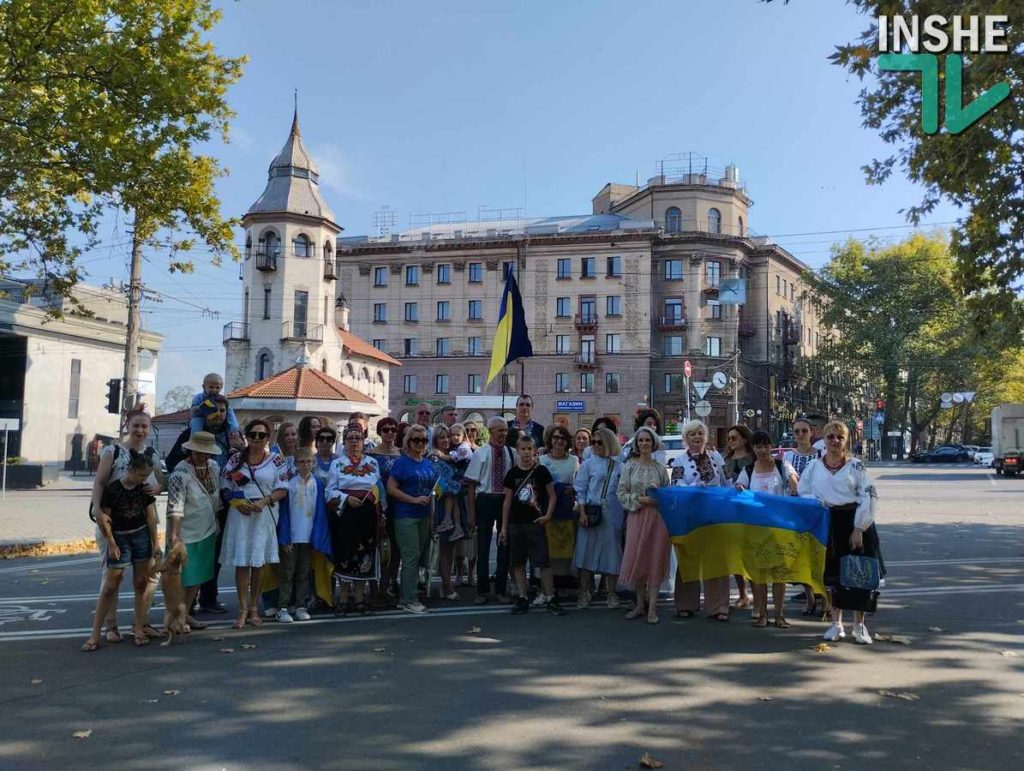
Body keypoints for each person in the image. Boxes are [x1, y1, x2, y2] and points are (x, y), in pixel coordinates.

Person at [798, 421, 881, 645]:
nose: (835, 441)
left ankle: (859, 625)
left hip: (854, 522)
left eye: (839, 437)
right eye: (830, 436)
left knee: (858, 574)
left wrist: (858, 529)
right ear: (824, 439)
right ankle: (836, 624)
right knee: (832, 575)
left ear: (846, 440)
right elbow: (804, 492)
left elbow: (869, 496)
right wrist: (818, 505)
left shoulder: (856, 466)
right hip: (827, 522)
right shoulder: (814, 467)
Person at [89, 407, 164, 642]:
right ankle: (111, 626)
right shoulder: (113, 451)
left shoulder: (152, 454)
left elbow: (161, 481)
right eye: (136, 425)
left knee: (146, 577)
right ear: (127, 426)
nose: (140, 430)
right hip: (113, 522)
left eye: (144, 426)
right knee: (112, 577)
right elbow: (99, 483)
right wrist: (98, 511)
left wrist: (159, 488)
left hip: (144, 522)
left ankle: (140, 623)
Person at [82, 453, 160, 651]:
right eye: (142, 475)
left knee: (141, 583)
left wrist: (155, 543)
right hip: (120, 537)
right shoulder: (113, 489)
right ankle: (95, 633)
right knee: (111, 584)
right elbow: (104, 520)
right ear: (131, 470)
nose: (144, 479)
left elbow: (150, 518)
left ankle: (139, 627)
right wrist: (111, 543)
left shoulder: (144, 490)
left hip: (141, 537)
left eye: (147, 475)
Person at [220, 417, 288, 629]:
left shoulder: (277, 460)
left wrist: (265, 501)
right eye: (253, 435)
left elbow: (283, 488)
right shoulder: (235, 460)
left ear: (268, 438)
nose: (257, 439)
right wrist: (237, 503)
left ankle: (254, 609)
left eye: (262, 435)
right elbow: (224, 485)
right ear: (246, 436)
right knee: (243, 564)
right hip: (240, 515)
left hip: (263, 515)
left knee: (258, 564)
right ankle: (242, 610)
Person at [735, 431, 799, 629]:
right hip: (756, 529)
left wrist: (793, 484)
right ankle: (762, 614)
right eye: (758, 446)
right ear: (753, 448)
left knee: (779, 574)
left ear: (772, 446)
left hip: (779, 528)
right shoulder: (747, 470)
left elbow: (794, 482)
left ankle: (779, 615)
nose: (762, 450)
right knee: (759, 574)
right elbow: (739, 487)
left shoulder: (782, 466)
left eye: (766, 446)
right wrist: (739, 488)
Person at [671, 419, 731, 621]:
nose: (696, 437)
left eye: (699, 433)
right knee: (689, 559)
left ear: (706, 437)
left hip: (715, 515)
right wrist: (693, 487)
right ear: (686, 438)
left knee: (717, 560)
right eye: (692, 434)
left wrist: (736, 488)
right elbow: (676, 485)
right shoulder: (679, 461)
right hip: (691, 516)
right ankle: (685, 604)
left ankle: (719, 606)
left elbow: (727, 481)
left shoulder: (717, 458)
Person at [164, 431, 222, 634]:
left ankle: (185, 613)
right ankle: (175, 617)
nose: (202, 456)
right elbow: (175, 506)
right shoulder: (179, 474)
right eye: (198, 452)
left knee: (198, 577)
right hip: (185, 533)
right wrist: (175, 536)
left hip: (207, 529)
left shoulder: (214, 468)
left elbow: (216, 495)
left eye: (206, 453)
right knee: (180, 579)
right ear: (190, 450)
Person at [500, 435, 565, 615]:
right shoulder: (512, 473)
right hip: (516, 523)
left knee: (543, 562)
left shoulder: (541, 471)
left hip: (536, 522)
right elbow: (507, 502)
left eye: (530, 449)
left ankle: (550, 596)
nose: (526, 452)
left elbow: (552, 495)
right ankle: (522, 597)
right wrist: (504, 528)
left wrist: (548, 516)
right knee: (518, 562)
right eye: (523, 449)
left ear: (535, 450)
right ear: (518, 450)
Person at [616, 427, 671, 624]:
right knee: (637, 559)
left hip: (657, 520)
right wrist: (639, 499)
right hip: (636, 517)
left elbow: (669, 494)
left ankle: (653, 608)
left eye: (647, 440)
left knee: (654, 559)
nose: (644, 444)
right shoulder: (629, 466)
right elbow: (621, 492)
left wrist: (658, 498)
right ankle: (640, 605)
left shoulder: (660, 468)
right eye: (641, 441)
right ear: (636, 444)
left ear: (653, 443)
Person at [327, 427, 383, 615]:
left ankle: (360, 599)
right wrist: (346, 499)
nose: (354, 442)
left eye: (358, 438)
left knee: (364, 556)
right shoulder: (337, 464)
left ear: (363, 441)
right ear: (345, 441)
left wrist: (380, 508)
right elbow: (329, 492)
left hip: (368, 514)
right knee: (346, 556)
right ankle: (342, 599)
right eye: (350, 438)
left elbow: (379, 488)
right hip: (347, 514)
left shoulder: (373, 463)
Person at [386, 424, 438, 614]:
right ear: (408, 442)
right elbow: (391, 488)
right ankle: (410, 599)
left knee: (418, 557)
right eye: (416, 440)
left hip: (424, 515)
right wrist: (413, 499)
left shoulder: (428, 462)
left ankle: (406, 596)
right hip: (405, 515)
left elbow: (434, 485)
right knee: (411, 557)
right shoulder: (401, 462)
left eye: (423, 440)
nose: (420, 444)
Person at [275, 448, 331, 622]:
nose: (305, 465)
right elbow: (283, 513)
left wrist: (318, 536)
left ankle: (300, 605)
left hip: (308, 536)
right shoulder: (289, 484)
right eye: (301, 462)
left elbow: (321, 513)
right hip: (292, 536)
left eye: (308, 461)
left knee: (304, 572)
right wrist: (284, 538)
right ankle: (282, 607)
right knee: (288, 572)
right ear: (296, 463)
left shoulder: (318, 484)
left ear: (313, 463)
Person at [465, 417, 516, 604]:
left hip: (505, 500)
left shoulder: (512, 453)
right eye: (499, 430)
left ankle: (501, 589)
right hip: (485, 500)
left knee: (505, 545)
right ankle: (483, 590)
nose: (503, 434)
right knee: (483, 546)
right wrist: (471, 513)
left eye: (505, 431)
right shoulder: (481, 454)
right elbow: (471, 485)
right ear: (490, 431)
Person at [573, 428, 625, 609]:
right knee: (585, 552)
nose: (595, 445)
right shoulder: (588, 464)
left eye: (599, 442)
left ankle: (612, 593)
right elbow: (581, 488)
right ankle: (584, 592)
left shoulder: (619, 466)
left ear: (609, 443)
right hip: (591, 511)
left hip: (612, 513)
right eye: (593, 442)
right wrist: (582, 512)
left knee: (612, 552)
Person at [784, 417, 824, 615]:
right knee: (803, 556)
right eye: (796, 431)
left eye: (804, 431)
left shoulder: (821, 455)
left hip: (818, 510)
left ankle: (824, 598)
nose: (800, 435)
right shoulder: (789, 457)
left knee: (821, 554)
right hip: (798, 512)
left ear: (812, 432)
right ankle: (809, 599)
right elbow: (790, 482)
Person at [539, 424, 580, 601]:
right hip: (547, 509)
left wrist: (573, 489)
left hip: (566, 509)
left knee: (565, 549)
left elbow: (578, 484)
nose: (559, 441)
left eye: (563, 438)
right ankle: (547, 586)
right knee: (548, 550)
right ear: (550, 439)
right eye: (555, 437)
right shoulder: (542, 460)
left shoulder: (573, 460)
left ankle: (564, 585)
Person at [430, 424, 469, 598]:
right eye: (442, 437)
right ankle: (447, 586)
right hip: (441, 505)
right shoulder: (434, 458)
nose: (446, 440)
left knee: (451, 547)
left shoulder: (454, 455)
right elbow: (443, 483)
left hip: (456, 506)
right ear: (435, 440)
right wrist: (459, 485)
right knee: (444, 547)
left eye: (448, 437)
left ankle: (448, 583)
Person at [367, 417, 402, 601]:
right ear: (380, 432)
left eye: (393, 430)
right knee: (376, 546)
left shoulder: (402, 454)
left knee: (395, 547)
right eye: (386, 429)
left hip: (398, 505)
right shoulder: (371, 455)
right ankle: (375, 587)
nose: (390, 433)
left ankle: (390, 583)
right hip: (377, 506)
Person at [723, 425, 756, 610]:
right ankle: (743, 594)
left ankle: (756, 591)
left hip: (749, 511)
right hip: (730, 511)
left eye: (734, 437)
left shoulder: (753, 459)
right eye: (729, 438)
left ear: (744, 439)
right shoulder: (725, 459)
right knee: (734, 554)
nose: (731, 441)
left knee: (750, 554)